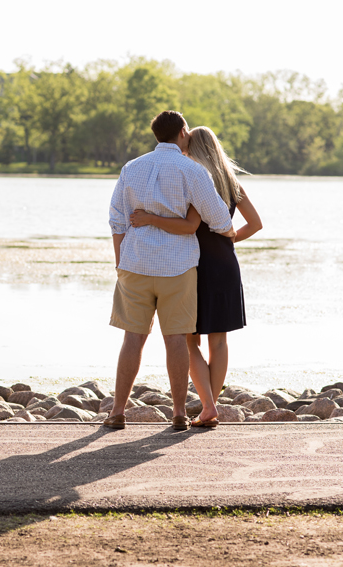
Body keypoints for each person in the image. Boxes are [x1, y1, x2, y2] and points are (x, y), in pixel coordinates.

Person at [105, 112, 236, 431]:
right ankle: (178, 413)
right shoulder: (191, 170)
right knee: (176, 338)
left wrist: (122, 260)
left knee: (132, 339)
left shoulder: (131, 168)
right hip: (177, 267)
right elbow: (219, 219)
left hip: (134, 265)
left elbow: (117, 218)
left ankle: (117, 412)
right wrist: (228, 233)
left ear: (155, 135)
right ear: (182, 132)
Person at [129, 126, 263, 427]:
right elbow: (255, 224)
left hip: (195, 265)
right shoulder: (230, 181)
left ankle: (209, 407)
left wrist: (149, 219)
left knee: (190, 342)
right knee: (219, 341)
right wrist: (228, 240)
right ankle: (208, 408)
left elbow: (190, 224)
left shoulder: (194, 179)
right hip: (226, 264)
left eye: (187, 145)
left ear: (193, 147)